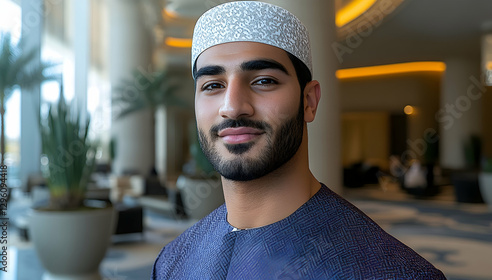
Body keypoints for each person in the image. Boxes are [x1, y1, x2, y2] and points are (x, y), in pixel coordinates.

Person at [151, 1, 446, 279]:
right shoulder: (173, 260)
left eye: (263, 81)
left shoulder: (392, 271)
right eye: (213, 85)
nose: (232, 106)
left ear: (309, 101)